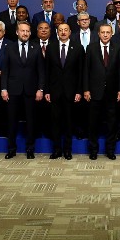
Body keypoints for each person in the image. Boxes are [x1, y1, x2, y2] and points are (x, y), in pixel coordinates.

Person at [1, 21, 45, 159]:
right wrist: (3, 89)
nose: (25, 33)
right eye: (22, 31)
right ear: (17, 32)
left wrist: (40, 89)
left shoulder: (36, 47)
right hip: (13, 90)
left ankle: (30, 149)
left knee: (30, 121)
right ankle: (11, 149)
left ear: (30, 33)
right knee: (11, 121)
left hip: (31, 91)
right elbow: (5, 70)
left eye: (27, 31)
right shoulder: (9, 48)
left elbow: (41, 71)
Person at [83, 23, 120, 160]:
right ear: (99, 34)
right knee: (93, 123)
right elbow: (86, 71)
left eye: (108, 32)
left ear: (112, 34)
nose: (105, 35)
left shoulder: (117, 48)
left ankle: (110, 150)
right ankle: (93, 150)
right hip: (95, 92)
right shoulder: (91, 48)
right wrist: (86, 89)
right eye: (103, 32)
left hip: (112, 93)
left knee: (112, 123)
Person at [44, 23, 84, 160]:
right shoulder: (51, 47)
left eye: (65, 30)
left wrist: (79, 91)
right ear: (57, 32)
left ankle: (67, 150)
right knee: (54, 123)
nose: (63, 32)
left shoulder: (78, 48)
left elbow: (81, 73)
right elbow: (47, 71)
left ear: (70, 31)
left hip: (71, 92)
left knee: (68, 123)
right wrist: (47, 90)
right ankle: (57, 150)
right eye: (60, 30)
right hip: (54, 92)